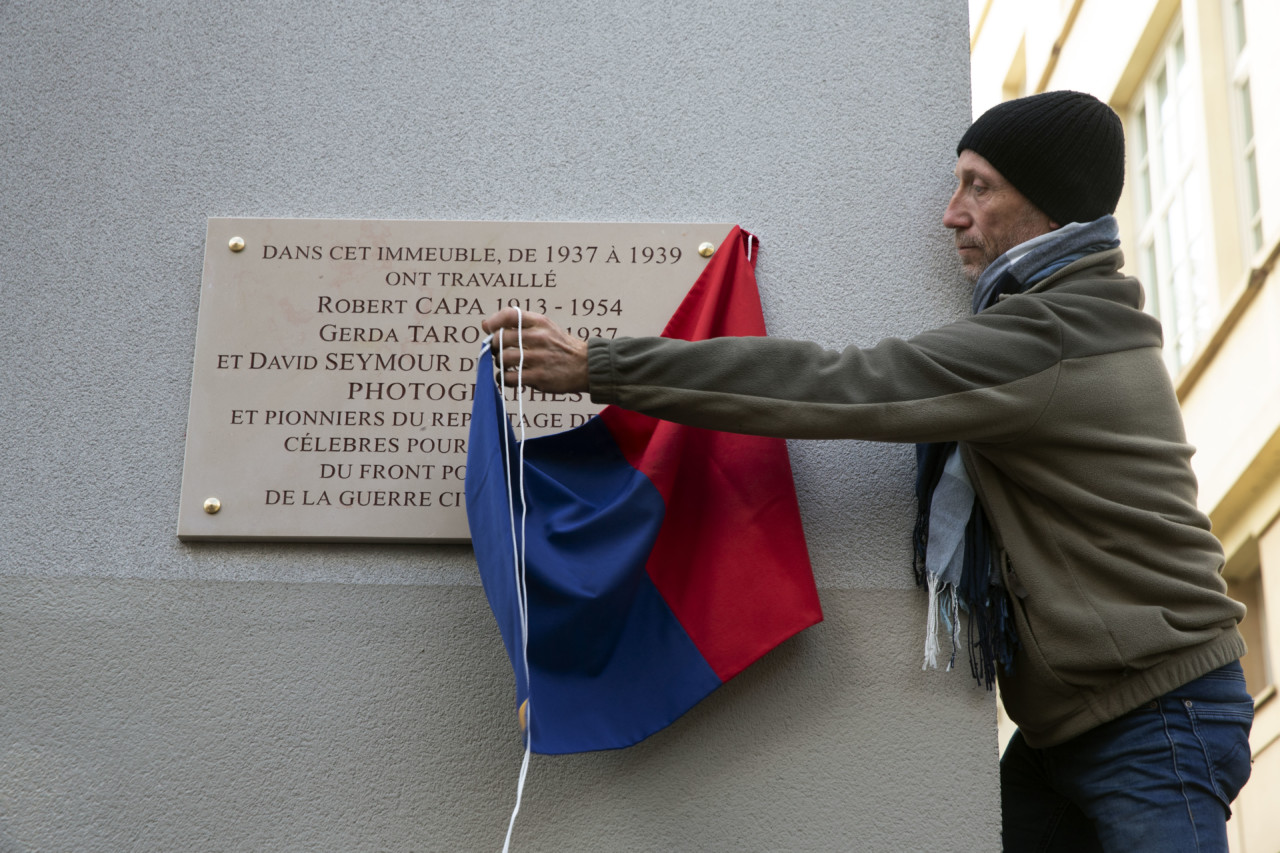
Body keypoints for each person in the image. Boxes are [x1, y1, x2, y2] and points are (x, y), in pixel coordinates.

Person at [480, 91, 1253, 852]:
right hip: (1085, 720)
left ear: (1050, 208)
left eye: (979, 188)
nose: (951, 214)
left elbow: (842, 384)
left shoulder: (1051, 334)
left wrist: (601, 366)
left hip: (1157, 714)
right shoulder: (1066, 317)